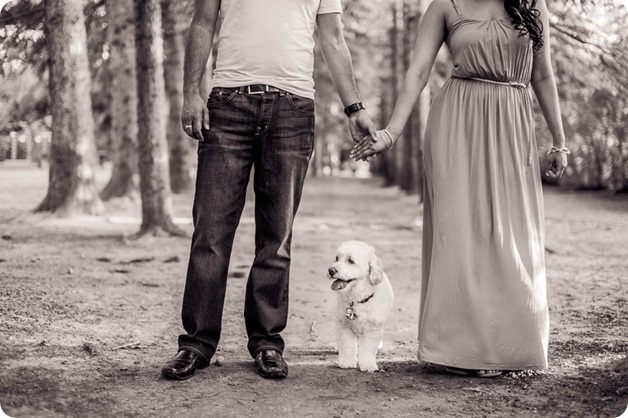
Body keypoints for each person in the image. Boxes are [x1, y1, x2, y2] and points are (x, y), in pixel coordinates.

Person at [161, 0, 376, 381]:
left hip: (292, 110)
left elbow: (334, 38)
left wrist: (354, 107)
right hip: (227, 104)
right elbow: (202, 23)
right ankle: (195, 344)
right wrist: (191, 92)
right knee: (209, 233)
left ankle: (266, 343)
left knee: (276, 238)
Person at [352, 0, 568, 376]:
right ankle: (456, 349)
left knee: (509, 236)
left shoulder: (532, 5)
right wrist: (390, 132)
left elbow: (544, 74)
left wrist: (559, 141)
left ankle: (508, 345)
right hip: (456, 125)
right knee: (459, 236)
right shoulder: (444, 7)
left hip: (512, 126)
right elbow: (418, 73)